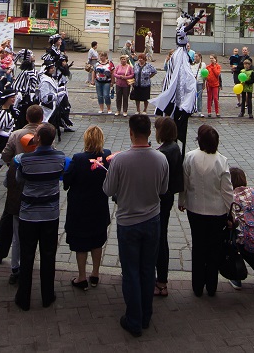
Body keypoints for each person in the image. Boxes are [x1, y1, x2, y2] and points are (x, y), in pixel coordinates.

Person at [104, 113, 169, 337]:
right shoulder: (161, 159)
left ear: (131, 132)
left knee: (130, 271)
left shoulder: (121, 160)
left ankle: (133, 319)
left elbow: (108, 190)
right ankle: (145, 315)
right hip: (152, 220)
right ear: (150, 133)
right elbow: (163, 189)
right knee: (147, 268)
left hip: (128, 221)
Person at [14, 122, 66, 311]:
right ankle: (47, 295)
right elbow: (61, 174)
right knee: (48, 255)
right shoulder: (60, 158)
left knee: (27, 256)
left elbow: (20, 179)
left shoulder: (24, 160)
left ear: (37, 139)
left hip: (28, 214)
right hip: (50, 213)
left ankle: (24, 297)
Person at [0, 103, 44, 279]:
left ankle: (5, 257)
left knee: (11, 220)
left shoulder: (16, 134)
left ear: (27, 118)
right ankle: (20, 260)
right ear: (41, 118)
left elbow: (6, 155)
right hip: (38, 186)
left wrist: (13, 163)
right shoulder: (45, 133)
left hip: (16, 184)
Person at [179, 124, 232, 298]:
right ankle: (211, 285)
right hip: (217, 211)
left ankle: (197, 285)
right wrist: (231, 212)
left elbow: (184, 183)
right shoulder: (221, 161)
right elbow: (227, 191)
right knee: (213, 249)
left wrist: (182, 200)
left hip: (194, 208)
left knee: (198, 246)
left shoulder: (189, 157)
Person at [64, 124, 111, 290]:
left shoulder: (78, 158)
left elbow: (67, 181)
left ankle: (82, 276)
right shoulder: (106, 155)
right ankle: (95, 273)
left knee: (81, 242)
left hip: (80, 207)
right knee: (97, 241)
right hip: (99, 205)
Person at [153, 116, 183, 297]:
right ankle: (160, 279)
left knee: (159, 238)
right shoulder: (174, 147)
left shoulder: (164, 152)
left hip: (160, 199)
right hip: (168, 197)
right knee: (160, 236)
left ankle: (161, 280)